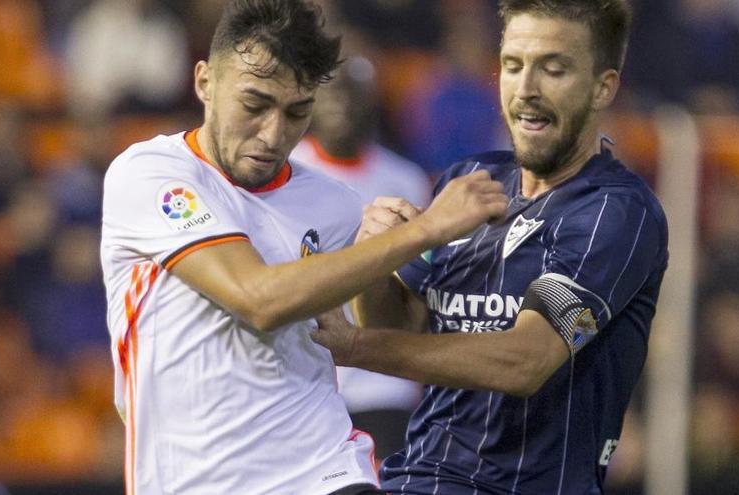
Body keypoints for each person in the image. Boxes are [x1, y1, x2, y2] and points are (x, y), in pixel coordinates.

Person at [99, 1, 508, 494]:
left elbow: (390, 331)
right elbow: (259, 299)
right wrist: (418, 235)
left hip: (323, 469)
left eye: (296, 112)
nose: (273, 135)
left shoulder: (336, 204)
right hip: (194, 479)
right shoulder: (151, 174)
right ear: (205, 82)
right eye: (254, 105)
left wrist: (389, 259)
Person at [311, 0, 670, 493]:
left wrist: (353, 347)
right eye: (513, 66)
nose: (526, 90)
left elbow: (524, 361)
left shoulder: (615, 213)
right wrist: (382, 255)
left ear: (603, 86)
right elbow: (398, 325)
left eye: (554, 69)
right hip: (414, 478)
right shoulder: (468, 179)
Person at [290, 55, 430, 460]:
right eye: (332, 92)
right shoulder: (289, 167)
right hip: (305, 377)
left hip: (383, 381)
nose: (343, 104)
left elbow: (418, 285)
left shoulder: (406, 179)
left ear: (373, 101)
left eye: (355, 94)